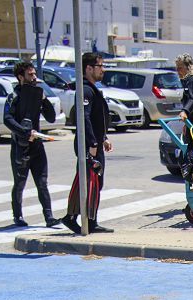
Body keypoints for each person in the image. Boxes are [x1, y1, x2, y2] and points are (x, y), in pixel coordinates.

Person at [61, 52, 113, 234]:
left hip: (95, 143)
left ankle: (85, 219)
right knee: (89, 182)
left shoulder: (90, 89)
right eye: (100, 66)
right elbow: (84, 118)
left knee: (92, 182)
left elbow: (97, 118)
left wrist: (103, 137)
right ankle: (80, 219)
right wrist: (92, 143)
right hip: (89, 145)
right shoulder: (86, 90)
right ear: (89, 68)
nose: (103, 70)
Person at [3, 60, 58, 227]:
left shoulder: (36, 94)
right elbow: (7, 119)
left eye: (34, 74)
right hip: (20, 146)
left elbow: (51, 117)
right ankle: (18, 216)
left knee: (42, 182)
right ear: (21, 77)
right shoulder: (14, 96)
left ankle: (49, 217)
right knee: (20, 182)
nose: (34, 77)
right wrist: (25, 133)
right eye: (30, 74)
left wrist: (44, 99)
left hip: (37, 145)